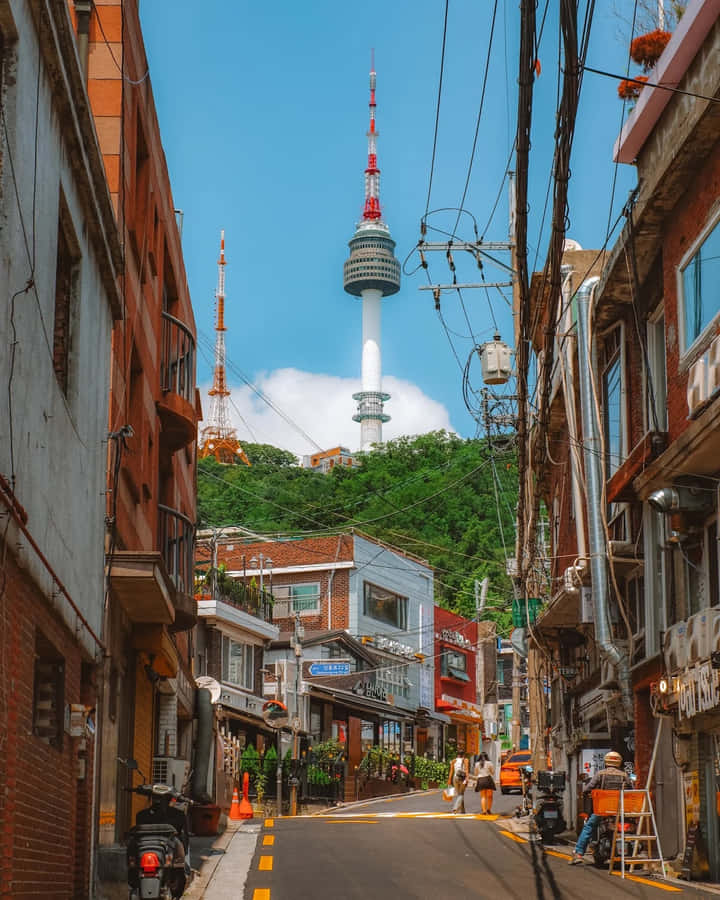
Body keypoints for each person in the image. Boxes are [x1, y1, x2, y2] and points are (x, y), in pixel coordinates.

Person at [569, 750, 632, 865]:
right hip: (619, 810)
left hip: (602, 809)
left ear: (606, 762)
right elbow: (630, 790)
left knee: (589, 827)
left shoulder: (600, 774)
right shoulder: (624, 775)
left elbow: (587, 789)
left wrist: (588, 793)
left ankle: (578, 853)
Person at [447, 750, 469, 814]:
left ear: (457, 755)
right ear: (463, 755)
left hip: (455, 778)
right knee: (461, 794)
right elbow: (467, 769)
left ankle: (462, 810)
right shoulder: (465, 760)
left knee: (459, 794)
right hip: (463, 778)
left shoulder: (453, 761)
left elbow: (451, 771)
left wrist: (449, 780)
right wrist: (467, 778)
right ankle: (455, 808)